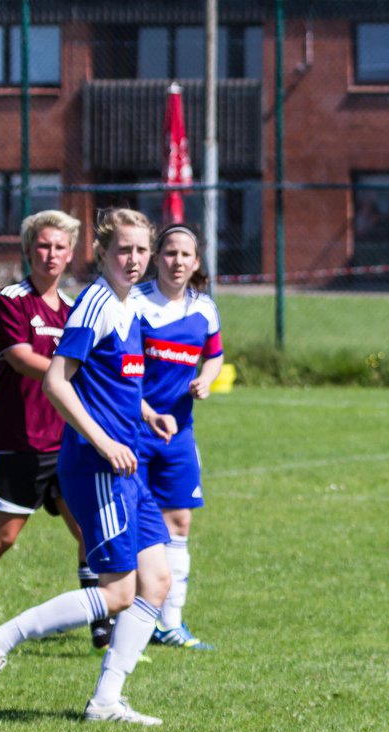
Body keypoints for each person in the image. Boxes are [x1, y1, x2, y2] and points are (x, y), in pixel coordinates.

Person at [0, 208, 173, 725]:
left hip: (128, 463)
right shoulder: (97, 305)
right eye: (123, 250)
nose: (134, 259)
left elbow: (109, 382)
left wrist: (147, 412)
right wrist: (103, 441)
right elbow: (58, 381)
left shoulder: (129, 306)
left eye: (141, 251)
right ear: (102, 254)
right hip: (98, 464)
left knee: (157, 579)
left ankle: (106, 700)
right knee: (119, 591)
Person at [0, 210, 117, 657]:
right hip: (19, 441)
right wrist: (71, 374)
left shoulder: (78, 308)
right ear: (28, 250)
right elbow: (20, 357)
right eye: (43, 245)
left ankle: (103, 629)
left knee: (90, 532)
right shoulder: (11, 301)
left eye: (60, 247)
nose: (51, 254)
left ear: (71, 253)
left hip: (69, 441)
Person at [134, 224, 224, 651]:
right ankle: (124, 616)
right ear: (157, 257)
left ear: (197, 262)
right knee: (130, 526)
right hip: (131, 431)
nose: (177, 262)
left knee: (179, 523)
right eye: (170, 253)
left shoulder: (204, 309)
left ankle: (170, 623)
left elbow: (215, 356)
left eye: (185, 255)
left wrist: (205, 380)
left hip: (178, 434)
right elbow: (117, 371)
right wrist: (146, 411)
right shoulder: (134, 303)